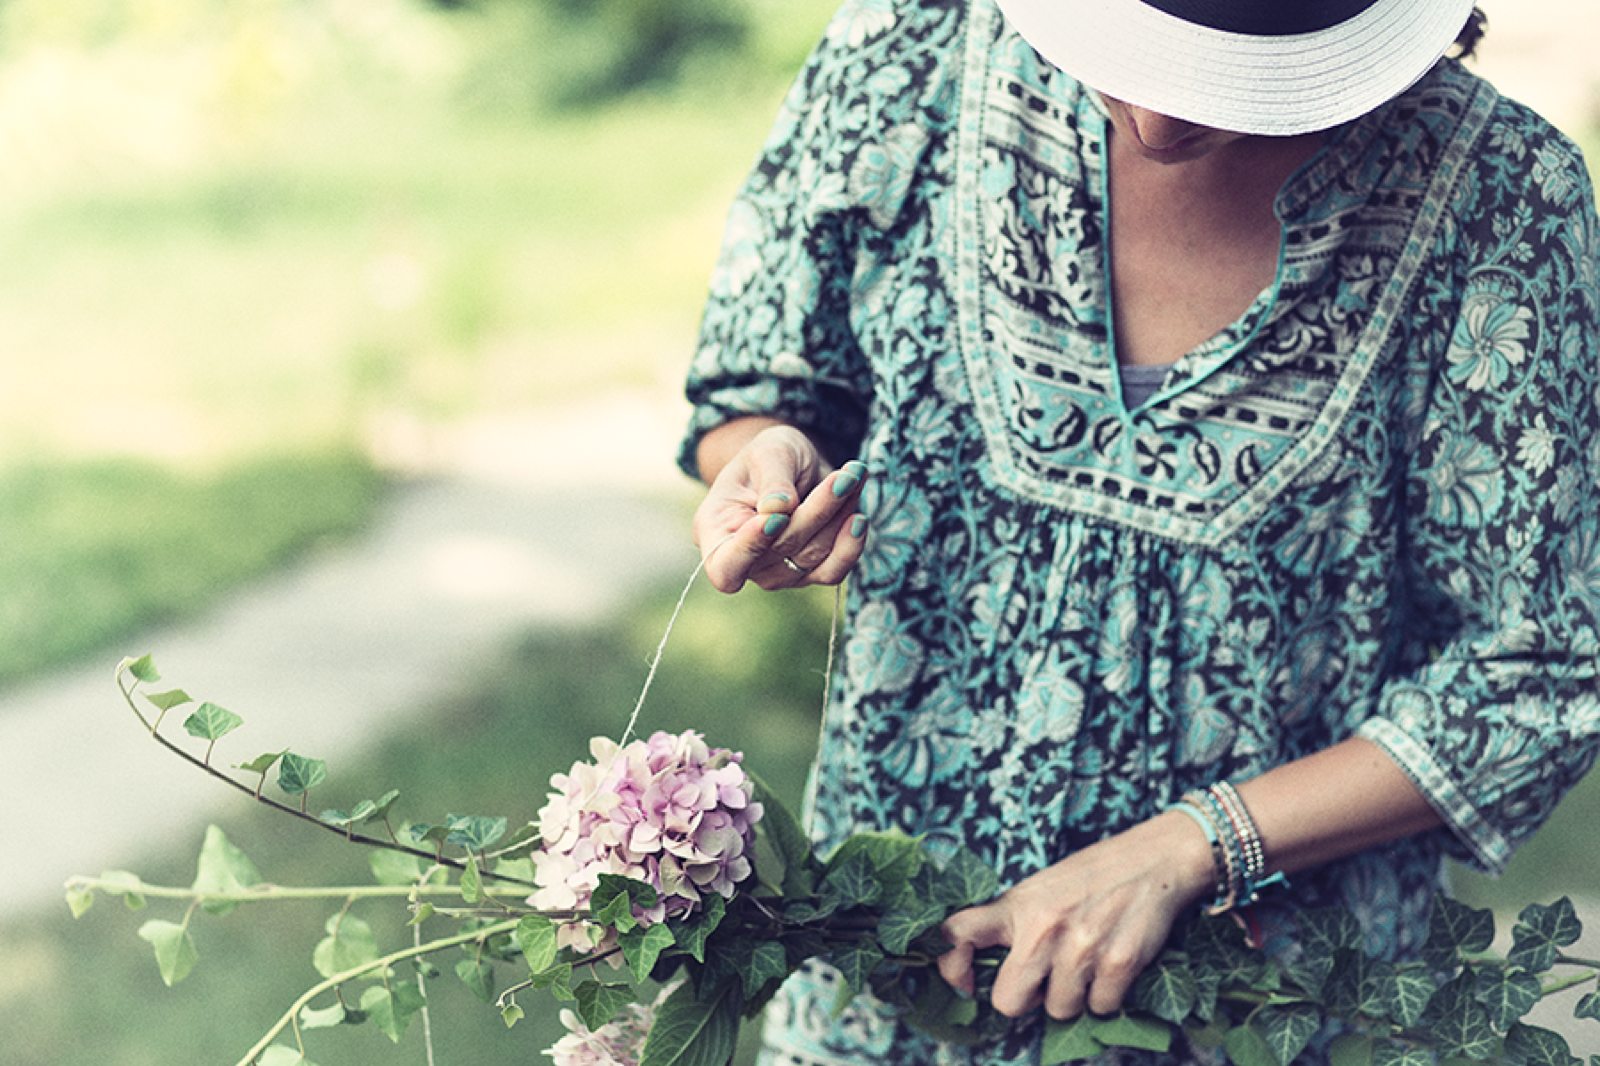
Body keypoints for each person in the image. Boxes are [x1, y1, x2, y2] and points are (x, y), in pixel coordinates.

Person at [679, 0, 1600, 1062]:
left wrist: (1191, 846)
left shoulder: (1499, 199)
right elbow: (763, 379)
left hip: (1261, 1013)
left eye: (1237, 67)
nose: (1156, 122)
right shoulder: (907, 47)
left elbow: (1537, 667)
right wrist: (765, 464)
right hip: (882, 995)